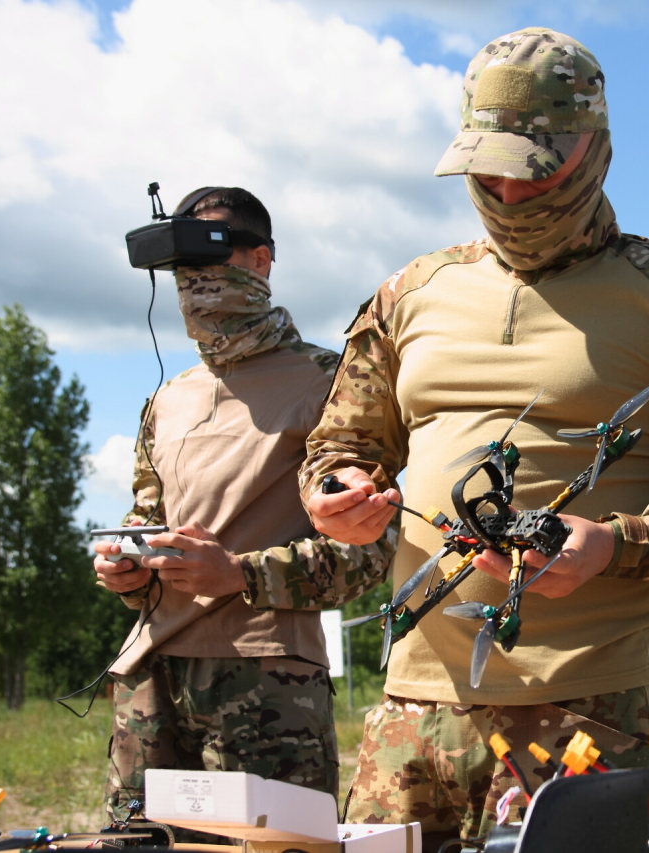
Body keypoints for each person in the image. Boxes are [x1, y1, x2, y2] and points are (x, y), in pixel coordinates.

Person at [303, 28, 649, 844]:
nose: (508, 192)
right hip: (409, 728)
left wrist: (616, 545)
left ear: (595, 148)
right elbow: (336, 453)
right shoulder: (407, 295)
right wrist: (336, 496)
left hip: (592, 723)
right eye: (487, 169)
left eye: (535, 167)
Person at [92, 187, 393, 828]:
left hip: (267, 683)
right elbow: (146, 518)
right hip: (148, 679)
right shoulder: (166, 400)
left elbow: (372, 550)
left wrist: (238, 573)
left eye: (212, 258)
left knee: (277, 844)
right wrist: (126, 569)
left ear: (260, 261)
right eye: (182, 270)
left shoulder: (332, 383)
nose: (196, 283)